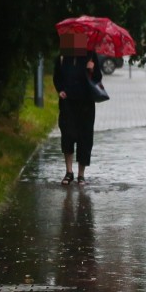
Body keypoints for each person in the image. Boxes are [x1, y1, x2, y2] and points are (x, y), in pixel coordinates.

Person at [53, 32, 102, 186]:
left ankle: (81, 174)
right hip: (68, 103)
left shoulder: (90, 55)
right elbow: (57, 77)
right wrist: (60, 90)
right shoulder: (62, 57)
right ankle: (69, 172)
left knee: (84, 138)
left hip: (86, 104)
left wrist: (92, 69)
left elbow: (98, 79)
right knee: (67, 135)